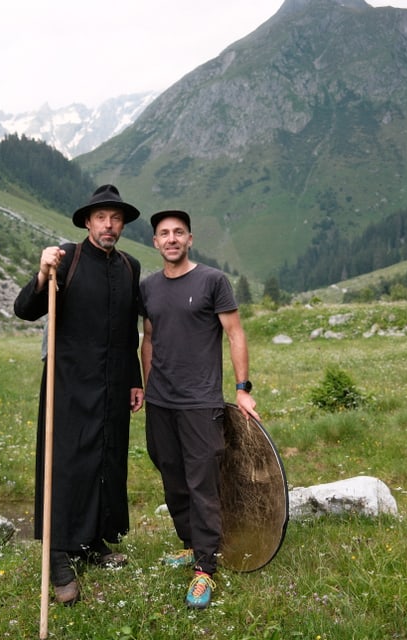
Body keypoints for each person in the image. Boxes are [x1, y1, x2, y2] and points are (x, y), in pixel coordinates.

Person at [13, 185, 145, 606]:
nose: (109, 225)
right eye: (102, 217)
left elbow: (129, 331)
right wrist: (41, 273)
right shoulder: (64, 260)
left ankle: (92, 543)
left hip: (112, 383)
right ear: (87, 222)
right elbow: (25, 309)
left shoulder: (130, 266)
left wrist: (135, 379)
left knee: (106, 458)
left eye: (116, 218)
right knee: (66, 464)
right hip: (67, 385)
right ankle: (57, 555)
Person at [139, 209, 259, 610]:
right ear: (155, 242)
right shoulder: (149, 287)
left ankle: (205, 569)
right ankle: (192, 545)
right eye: (163, 234)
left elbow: (235, 332)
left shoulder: (212, 281)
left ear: (189, 239)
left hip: (199, 402)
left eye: (178, 232)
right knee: (172, 477)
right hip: (160, 403)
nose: (171, 239)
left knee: (201, 484)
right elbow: (149, 339)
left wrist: (243, 390)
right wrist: (146, 384)